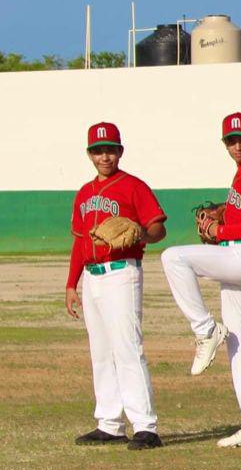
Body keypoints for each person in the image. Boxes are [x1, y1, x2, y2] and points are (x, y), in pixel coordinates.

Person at [160, 112, 241, 447]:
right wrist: (223, 210)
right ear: (225, 144)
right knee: (239, 342)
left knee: (173, 257)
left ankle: (204, 329)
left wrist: (218, 229)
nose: (237, 146)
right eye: (231, 140)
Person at [66, 122, 168, 450]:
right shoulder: (84, 193)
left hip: (122, 272)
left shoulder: (133, 187)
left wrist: (141, 232)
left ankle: (145, 426)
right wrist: (72, 284)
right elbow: (80, 243)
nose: (104, 156)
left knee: (127, 347)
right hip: (93, 276)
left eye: (110, 149)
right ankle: (109, 423)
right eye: (98, 150)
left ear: (120, 151)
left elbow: (158, 230)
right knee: (101, 351)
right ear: (89, 154)